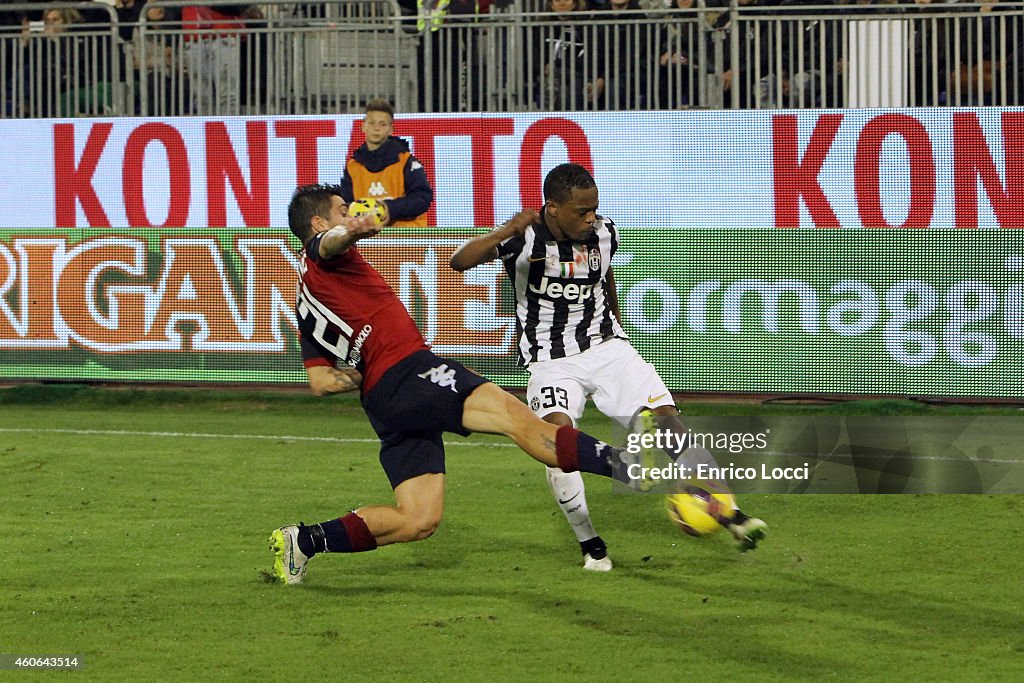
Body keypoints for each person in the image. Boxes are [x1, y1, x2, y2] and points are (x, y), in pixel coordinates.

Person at [267, 184, 642, 585]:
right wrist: (356, 227)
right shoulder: (324, 251)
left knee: (418, 519)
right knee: (518, 419)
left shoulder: (305, 301)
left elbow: (322, 382)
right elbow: (332, 242)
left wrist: (370, 364)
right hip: (410, 370)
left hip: (382, 398)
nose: (350, 212)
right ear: (318, 222)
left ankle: (304, 541)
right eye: (343, 209)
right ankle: (633, 467)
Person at [449, 163, 767, 570]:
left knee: (666, 420)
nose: (591, 218)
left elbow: (604, 276)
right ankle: (590, 544)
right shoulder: (523, 238)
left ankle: (733, 517)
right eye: (581, 211)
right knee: (557, 442)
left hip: (607, 348)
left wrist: (619, 327)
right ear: (553, 208)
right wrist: (505, 229)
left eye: (594, 209)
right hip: (551, 361)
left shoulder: (603, 233)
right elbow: (460, 262)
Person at [338, 99, 433, 227]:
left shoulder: (407, 161)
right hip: (365, 238)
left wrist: (387, 208)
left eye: (383, 124)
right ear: (363, 126)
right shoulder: (352, 166)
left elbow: (422, 199)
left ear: (390, 129)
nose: (376, 128)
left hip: (406, 238)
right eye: (372, 123)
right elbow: (347, 204)